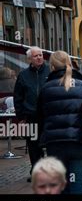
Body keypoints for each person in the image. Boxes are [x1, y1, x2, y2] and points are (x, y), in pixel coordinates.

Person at [37, 51, 82, 194]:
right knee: (77, 185)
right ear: (70, 63)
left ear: (52, 66)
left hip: (56, 145)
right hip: (81, 143)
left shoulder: (45, 88)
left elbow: (39, 117)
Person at [13, 47, 50, 182]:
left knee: (50, 144)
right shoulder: (23, 75)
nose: (39, 57)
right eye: (36, 56)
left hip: (48, 116)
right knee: (34, 146)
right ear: (29, 59)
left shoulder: (50, 72)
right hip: (31, 116)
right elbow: (18, 97)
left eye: (41, 55)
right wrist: (21, 117)